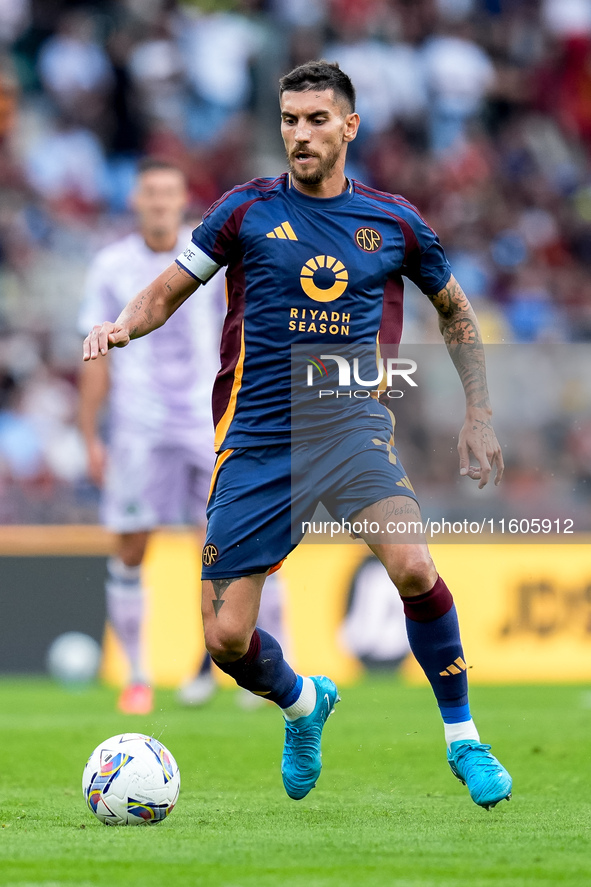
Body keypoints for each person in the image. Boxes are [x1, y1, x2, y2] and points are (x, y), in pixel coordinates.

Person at [83, 60, 512, 809]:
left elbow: (455, 310)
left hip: (349, 429)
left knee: (412, 564)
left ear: (349, 126)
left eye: (316, 119)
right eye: (288, 119)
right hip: (254, 441)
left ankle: (464, 737)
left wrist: (477, 413)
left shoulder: (394, 221)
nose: (300, 134)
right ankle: (301, 703)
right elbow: (169, 288)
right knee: (224, 642)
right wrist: (123, 325)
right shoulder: (243, 211)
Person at [78, 158, 220, 714]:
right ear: (135, 200)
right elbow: (94, 354)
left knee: (219, 544)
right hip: (137, 425)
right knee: (132, 545)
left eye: (169, 193)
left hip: (204, 421)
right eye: (150, 193)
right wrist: (91, 435)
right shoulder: (111, 265)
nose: (160, 202)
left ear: (183, 200)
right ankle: (137, 675)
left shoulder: (209, 259)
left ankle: (216, 666)